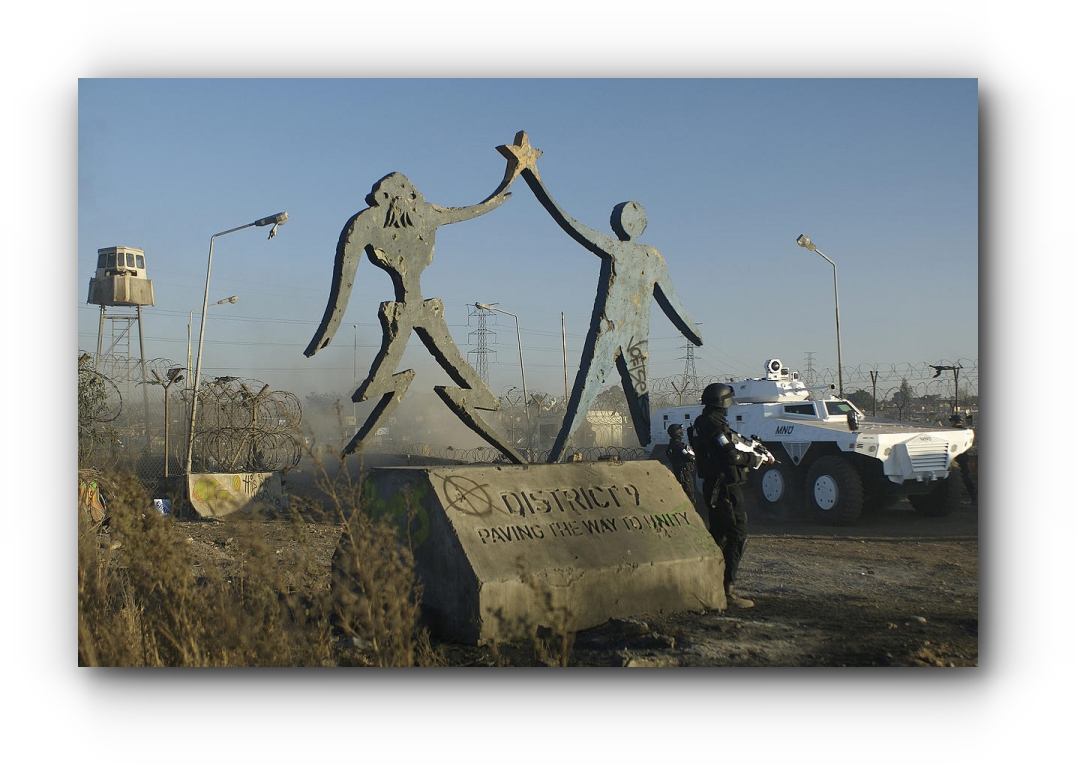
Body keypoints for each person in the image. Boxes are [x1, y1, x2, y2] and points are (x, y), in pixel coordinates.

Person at [305, 146, 529, 462]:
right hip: (409, 313)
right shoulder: (373, 222)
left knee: (471, 390)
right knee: (379, 386)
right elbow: (345, 279)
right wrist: (329, 329)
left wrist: (507, 182)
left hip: (422, 311)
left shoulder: (411, 216)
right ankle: (359, 440)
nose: (402, 202)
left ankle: (512, 455)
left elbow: (473, 210)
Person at [498, 131, 703, 462]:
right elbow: (675, 305)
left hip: (614, 334)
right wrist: (693, 333)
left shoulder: (628, 252)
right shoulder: (652, 256)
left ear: (623, 224)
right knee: (632, 399)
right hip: (631, 338)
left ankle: (564, 454)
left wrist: (535, 178)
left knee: (595, 395)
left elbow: (568, 221)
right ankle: (644, 455)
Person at [692, 382, 770, 609]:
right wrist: (754, 460)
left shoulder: (704, 422)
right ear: (724, 402)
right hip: (724, 487)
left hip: (716, 486)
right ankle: (727, 590)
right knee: (736, 534)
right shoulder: (713, 425)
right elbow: (731, 456)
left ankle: (710, 585)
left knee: (719, 535)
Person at [664, 423, 698, 507]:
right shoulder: (679, 446)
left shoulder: (671, 446)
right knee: (690, 495)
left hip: (678, 472)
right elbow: (689, 457)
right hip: (685, 474)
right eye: (681, 432)